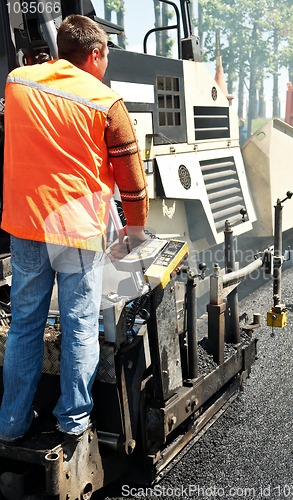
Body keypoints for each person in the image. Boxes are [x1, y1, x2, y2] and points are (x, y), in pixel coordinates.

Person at [0, 14, 148, 443]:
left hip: (25, 224)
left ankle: (10, 425)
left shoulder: (17, 83)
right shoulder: (106, 102)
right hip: (78, 231)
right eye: (107, 57)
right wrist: (135, 231)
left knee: (25, 324)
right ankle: (73, 422)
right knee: (79, 325)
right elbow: (132, 181)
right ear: (96, 54)